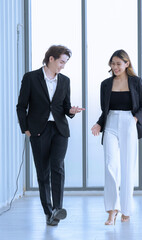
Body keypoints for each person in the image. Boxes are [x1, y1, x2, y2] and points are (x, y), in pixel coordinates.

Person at [16, 45, 84, 226]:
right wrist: (26, 129)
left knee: (58, 168)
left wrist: (71, 110)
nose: (63, 66)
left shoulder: (65, 81)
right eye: (62, 61)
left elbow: (65, 106)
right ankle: (48, 212)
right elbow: (21, 106)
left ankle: (57, 209)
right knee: (43, 172)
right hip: (38, 130)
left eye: (65, 62)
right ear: (51, 59)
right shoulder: (31, 78)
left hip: (60, 130)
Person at [91, 49, 142, 225]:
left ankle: (126, 210)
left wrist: (135, 119)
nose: (115, 67)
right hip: (110, 123)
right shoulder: (105, 84)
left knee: (127, 167)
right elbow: (105, 110)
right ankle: (112, 210)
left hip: (129, 123)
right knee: (110, 165)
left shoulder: (136, 82)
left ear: (127, 64)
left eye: (119, 63)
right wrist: (99, 123)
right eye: (113, 63)